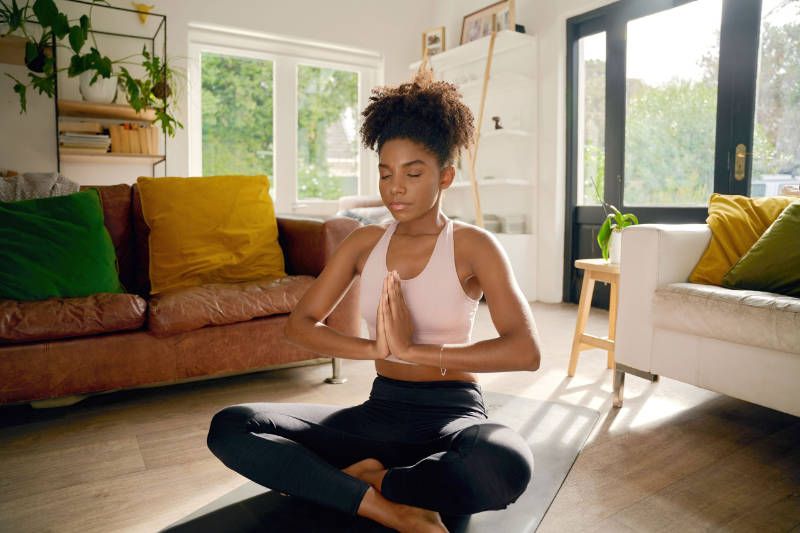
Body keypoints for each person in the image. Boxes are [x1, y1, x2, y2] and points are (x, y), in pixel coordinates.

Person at [206, 68, 541, 533]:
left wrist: (413, 350)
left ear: (445, 176)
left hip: (452, 416)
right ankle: (385, 504)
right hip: (376, 415)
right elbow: (300, 324)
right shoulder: (364, 242)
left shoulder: (474, 245)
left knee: (503, 464)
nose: (395, 187)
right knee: (233, 426)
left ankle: (372, 480)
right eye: (385, 173)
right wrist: (374, 350)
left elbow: (526, 351)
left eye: (413, 173)